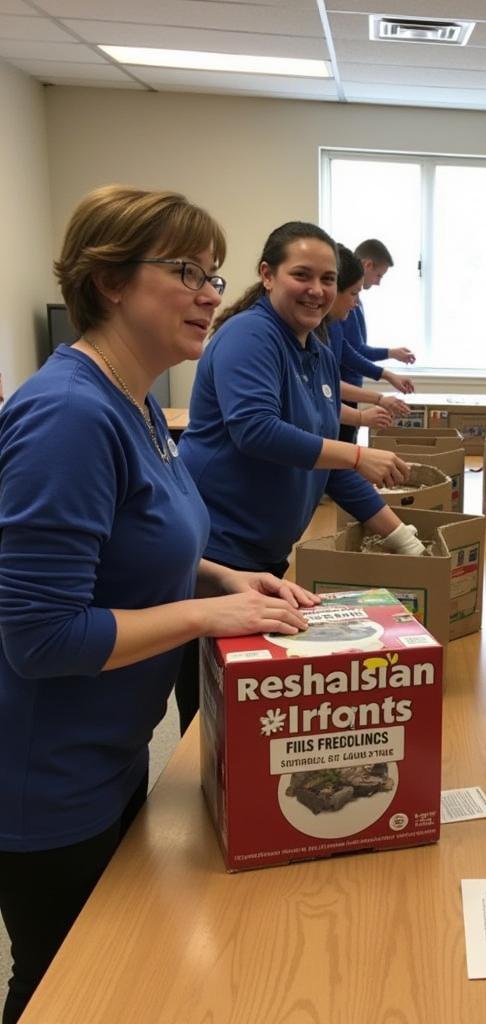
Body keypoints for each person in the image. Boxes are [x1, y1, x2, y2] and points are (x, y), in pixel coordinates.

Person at [0, 186, 314, 1024]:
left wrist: (221, 578)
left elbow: (134, 542)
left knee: (110, 975)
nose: (212, 292)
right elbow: (40, 636)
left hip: (109, 750)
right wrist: (210, 618)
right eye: (186, 271)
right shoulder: (69, 415)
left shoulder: (133, 400)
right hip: (45, 776)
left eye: (213, 273)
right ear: (109, 281)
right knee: (61, 987)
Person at [175, 222, 424, 733]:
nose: (318, 290)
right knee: (212, 711)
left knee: (249, 703)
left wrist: (403, 539)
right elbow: (255, 430)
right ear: (267, 275)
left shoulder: (315, 346)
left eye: (328, 278)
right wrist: (356, 458)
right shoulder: (251, 335)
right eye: (302, 275)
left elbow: (325, 463)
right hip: (216, 553)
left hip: (263, 555)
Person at [321, 244, 411, 435]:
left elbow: (347, 353)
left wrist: (386, 377)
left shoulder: (333, 321)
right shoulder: (319, 327)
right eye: (354, 293)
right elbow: (324, 388)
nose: (356, 302)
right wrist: (373, 405)